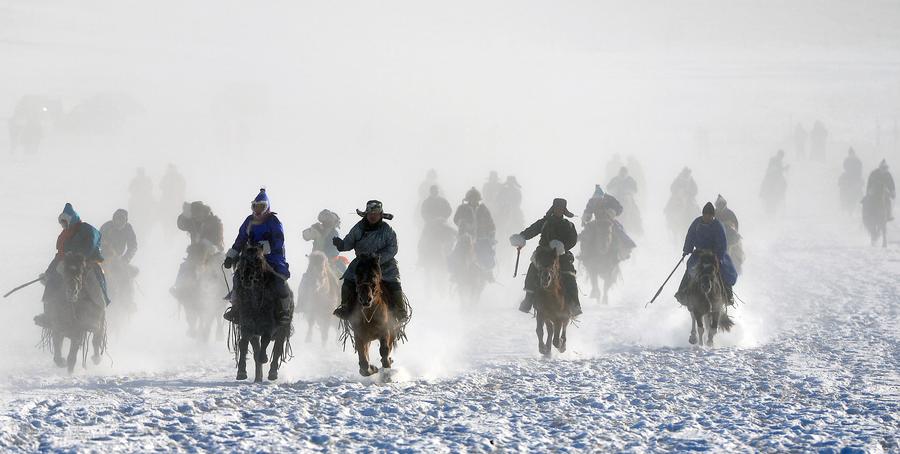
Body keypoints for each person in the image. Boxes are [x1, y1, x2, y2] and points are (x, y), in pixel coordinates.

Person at [331, 200, 410, 324]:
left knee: (394, 282)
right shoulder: (358, 228)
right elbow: (349, 242)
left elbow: (393, 248)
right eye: (370, 214)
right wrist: (341, 245)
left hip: (385, 264)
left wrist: (378, 258)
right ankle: (345, 307)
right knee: (348, 280)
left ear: (380, 215)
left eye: (376, 214)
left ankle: (400, 310)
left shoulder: (387, 230)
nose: (373, 216)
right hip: (361, 264)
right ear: (366, 214)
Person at [222, 188, 292, 325]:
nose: (258, 210)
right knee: (238, 276)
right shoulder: (249, 220)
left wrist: (265, 247)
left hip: (272, 257)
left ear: (267, 207)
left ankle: (284, 310)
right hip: (251, 256)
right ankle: (236, 307)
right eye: (256, 206)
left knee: (279, 278)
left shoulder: (273, 221)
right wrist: (232, 255)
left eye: (261, 206)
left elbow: (279, 240)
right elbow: (241, 238)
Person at [35, 203, 108, 328]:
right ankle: (48, 314)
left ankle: (97, 316)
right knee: (52, 280)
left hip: (87, 263)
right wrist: (49, 271)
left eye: (65, 222)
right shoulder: (64, 236)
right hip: (68, 264)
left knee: (93, 284)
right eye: (62, 223)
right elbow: (60, 255)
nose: (63, 225)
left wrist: (80, 257)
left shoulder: (86, 229)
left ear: (71, 219)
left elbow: (91, 243)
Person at [510, 198, 582, 317]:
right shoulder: (544, 222)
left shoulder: (569, 225)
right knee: (533, 269)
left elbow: (573, 240)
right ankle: (528, 300)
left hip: (561, 255)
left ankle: (574, 303)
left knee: (569, 274)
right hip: (543, 253)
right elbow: (531, 231)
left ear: (564, 210)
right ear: (553, 208)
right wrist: (521, 237)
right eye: (557, 208)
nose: (559, 210)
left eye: (561, 209)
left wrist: (562, 247)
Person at [675, 202, 738, 304]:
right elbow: (690, 236)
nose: (707, 217)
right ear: (703, 214)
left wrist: (719, 257)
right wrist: (687, 249)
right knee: (690, 266)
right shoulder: (697, 223)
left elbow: (722, 243)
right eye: (705, 215)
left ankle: (728, 293)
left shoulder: (718, 226)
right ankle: (683, 291)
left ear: (713, 216)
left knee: (727, 270)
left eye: (710, 215)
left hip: (715, 254)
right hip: (699, 253)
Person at [453, 188, 497, 277]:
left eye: (475, 198)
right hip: (465, 238)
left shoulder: (483, 209)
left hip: (482, 238)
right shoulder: (462, 208)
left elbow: (491, 224)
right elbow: (456, 219)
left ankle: (488, 273)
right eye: (471, 198)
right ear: (468, 199)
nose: (473, 200)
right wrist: (462, 224)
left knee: (487, 255)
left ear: (478, 199)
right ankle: (455, 274)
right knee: (457, 254)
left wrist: (491, 235)